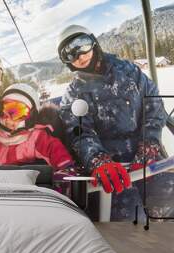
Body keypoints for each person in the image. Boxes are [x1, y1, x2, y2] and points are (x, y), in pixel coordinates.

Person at [57, 25, 172, 220]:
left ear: (94, 42)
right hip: (114, 173)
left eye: (82, 45)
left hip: (148, 160)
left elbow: (153, 103)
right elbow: (80, 132)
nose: (80, 56)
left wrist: (150, 145)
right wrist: (99, 161)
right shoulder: (74, 94)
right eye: (70, 54)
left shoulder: (128, 72)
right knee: (131, 227)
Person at [0, 83, 76, 181]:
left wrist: (65, 169)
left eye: (16, 113)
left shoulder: (36, 137)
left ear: (31, 116)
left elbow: (55, 149)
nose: (8, 119)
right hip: (10, 189)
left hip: (37, 187)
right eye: (3, 112)